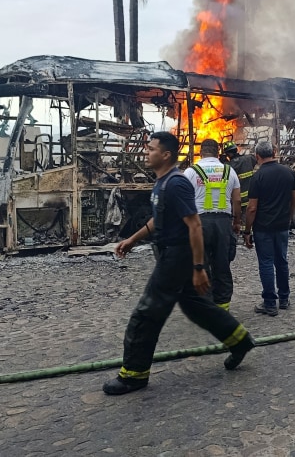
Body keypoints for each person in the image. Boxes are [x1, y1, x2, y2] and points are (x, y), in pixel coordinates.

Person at [103, 132, 255, 395]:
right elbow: (158, 220)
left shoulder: (177, 183)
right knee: (198, 307)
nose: (146, 153)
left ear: (166, 155)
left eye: (151, 149)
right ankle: (239, 341)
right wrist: (132, 239)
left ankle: (134, 374)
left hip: (176, 256)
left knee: (147, 313)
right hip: (170, 253)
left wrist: (198, 268)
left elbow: (194, 224)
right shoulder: (163, 183)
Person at [184, 139, 242, 311]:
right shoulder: (229, 171)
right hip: (223, 223)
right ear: (218, 153)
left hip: (199, 223)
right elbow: (237, 200)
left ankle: (206, 307)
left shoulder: (190, 172)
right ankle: (223, 307)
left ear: (201, 152)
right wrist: (237, 222)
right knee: (222, 265)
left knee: (201, 265)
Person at [244, 140, 295, 316]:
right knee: (281, 261)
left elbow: (252, 208)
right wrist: (288, 218)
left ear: (257, 156)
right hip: (282, 226)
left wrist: (247, 231)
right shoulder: (288, 172)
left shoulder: (257, 177)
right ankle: (284, 298)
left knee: (266, 263)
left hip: (263, 228)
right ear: (274, 152)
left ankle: (269, 303)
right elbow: (294, 199)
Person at [223, 140, 258, 219]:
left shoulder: (227, 166)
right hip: (250, 199)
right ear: (236, 149)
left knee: (236, 222)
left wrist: (223, 160)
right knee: (248, 221)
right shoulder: (249, 159)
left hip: (236, 201)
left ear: (227, 154)